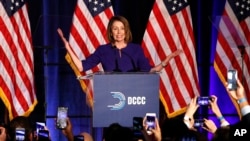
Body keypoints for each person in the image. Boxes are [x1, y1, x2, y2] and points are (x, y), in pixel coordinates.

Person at [57, 15, 182, 73]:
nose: (119, 32)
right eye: (115, 28)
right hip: (110, 99)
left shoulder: (136, 49)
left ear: (126, 30)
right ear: (111, 31)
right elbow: (81, 67)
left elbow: (149, 71)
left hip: (133, 97)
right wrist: (68, 47)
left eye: (122, 28)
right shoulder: (103, 50)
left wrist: (166, 60)